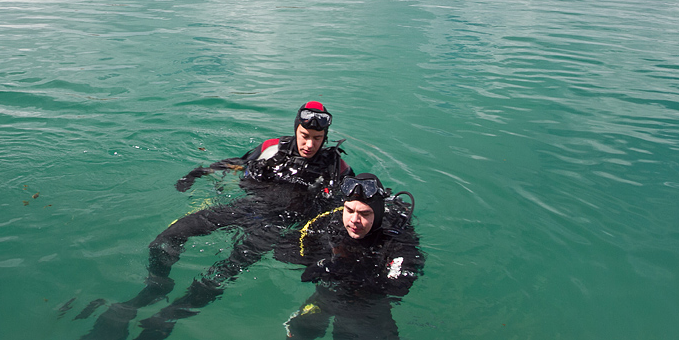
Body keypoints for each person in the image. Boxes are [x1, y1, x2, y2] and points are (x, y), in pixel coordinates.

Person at [84, 102, 354, 340]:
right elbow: (238, 162)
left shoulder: (336, 167)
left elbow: (355, 204)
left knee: (223, 272)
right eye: (305, 136)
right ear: (296, 129)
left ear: (325, 137)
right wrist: (197, 173)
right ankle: (155, 286)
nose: (309, 144)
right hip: (246, 207)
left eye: (317, 138)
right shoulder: (273, 148)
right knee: (167, 238)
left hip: (275, 226)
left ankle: (171, 314)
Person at [275, 173, 425, 340]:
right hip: (327, 294)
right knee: (298, 333)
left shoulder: (397, 240)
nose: (354, 220)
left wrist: (351, 270)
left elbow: (398, 286)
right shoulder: (331, 221)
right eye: (349, 210)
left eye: (365, 214)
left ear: (378, 214)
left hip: (367, 309)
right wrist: (319, 263)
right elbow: (283, 250)